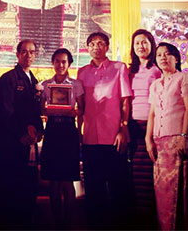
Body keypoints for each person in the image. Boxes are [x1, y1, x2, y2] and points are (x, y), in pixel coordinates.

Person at [77, 32, 132, 230]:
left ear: (107, 46)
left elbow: (125, 100)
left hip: (113, 137)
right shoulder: (82, 72)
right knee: (93, 186)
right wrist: (79, 131)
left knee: (118, 185)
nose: (96, 47)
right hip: (90, 137)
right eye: (92, 44)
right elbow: (80, 106)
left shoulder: (119, 68)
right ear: (87, 48)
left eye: (100, 43)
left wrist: (122, 128)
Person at [145, 42, 188, 231]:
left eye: (167, 54)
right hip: (160, 143)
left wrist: (184, 136)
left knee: (184, 190)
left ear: (176, 58)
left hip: (180, 140)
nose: (163, 57)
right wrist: (148, 139)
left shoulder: (185, 78)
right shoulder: (155, 85)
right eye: (159, 54)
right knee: (164, 191)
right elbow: (152, 113)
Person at [0, 39, 44, 229]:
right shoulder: (8, 78)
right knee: (10, 186)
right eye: (24, 51)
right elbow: (5, 111)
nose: (28, 55)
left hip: (29, 142)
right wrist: (20, 134)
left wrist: (39, 131)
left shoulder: (32, 79)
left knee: (27, 185)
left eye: (32, 52)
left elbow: (35, 111)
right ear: (17, 54)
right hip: (12, 142)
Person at [40, 48, 84, 229]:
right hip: (52, 132)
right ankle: (57, 221)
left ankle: (69, 222)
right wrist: (46, 111)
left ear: (69, 64)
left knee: (67, 180)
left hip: (68, 132)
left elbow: (82, 109)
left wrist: (74, 115)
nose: (60, 65)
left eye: (64, 62)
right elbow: (41, 109)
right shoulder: (45, 85)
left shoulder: (76, 84)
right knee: (53, 181)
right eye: (57, 61)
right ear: (53, 63)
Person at [128, 29, 161, 229]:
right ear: (133, 47)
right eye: (137, 43)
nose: (141, 46)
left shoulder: (157, 69)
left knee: (150, 172)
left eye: (145, 42)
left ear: (151, 44)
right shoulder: (129, 70)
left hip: (152, 126)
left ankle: (151, 218)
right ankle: (139, 217)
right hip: (133, 126)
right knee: (134, 172)